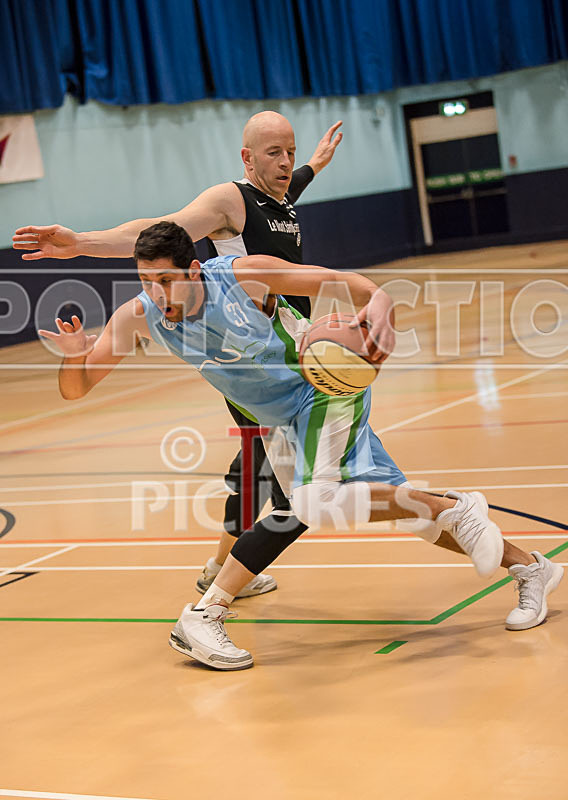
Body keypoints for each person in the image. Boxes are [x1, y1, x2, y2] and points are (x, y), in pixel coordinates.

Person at [38, 221, 564, 670]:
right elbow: (76, 386)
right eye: (145, 281)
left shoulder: (242, 277)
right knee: (395, 512)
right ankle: (530, 567)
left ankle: (205, 613)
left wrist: (380, 313)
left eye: (166, 280)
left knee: (307, 504)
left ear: (193, 272)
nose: (156, 292)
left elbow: (348, 284)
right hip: (277, 424)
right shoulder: (141, 316)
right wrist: (70, 352)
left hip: (320, 389)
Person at [13, 111, 343, 601]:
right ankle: (215, 599)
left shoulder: (281, 195)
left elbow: (293, 182)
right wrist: (80, 243)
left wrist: (315, 162)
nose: (286, 163)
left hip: (288, 358)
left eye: (290, 152)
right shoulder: (230, 199)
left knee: (256, 471)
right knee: (288, 489)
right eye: (274, 153)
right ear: (246, 158)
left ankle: (217, 572)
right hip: (250, 362)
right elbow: (162, 230)